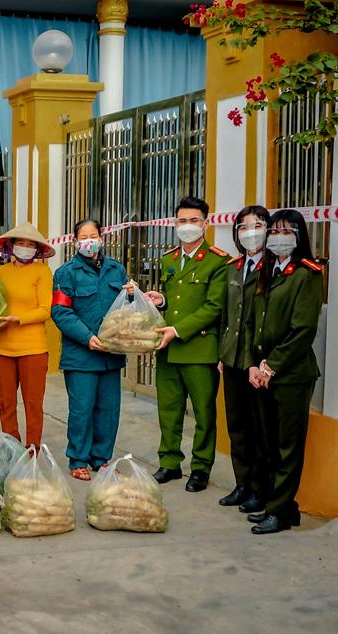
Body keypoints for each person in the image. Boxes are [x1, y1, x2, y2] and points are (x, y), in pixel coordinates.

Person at [245, 209, 324, 535]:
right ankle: (284, 507)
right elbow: (253, 322)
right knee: (268, 441)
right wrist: (253, 364)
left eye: (284, 231)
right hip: (262, 373)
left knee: (287, 446)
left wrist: (271, 366)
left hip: (290, 375)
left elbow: (302, 329)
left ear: (298, 235)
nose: (277, 236)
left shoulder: (307, 273)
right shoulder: (268, 270)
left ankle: (278, 511)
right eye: (273, 230)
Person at [146, 196, 230, 492]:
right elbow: (179, 300)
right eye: (182, 221)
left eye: (194, 221)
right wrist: (163, 300)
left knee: (204, 413)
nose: (187, 226)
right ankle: (169, 462)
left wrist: (178, 330)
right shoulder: (169, 258)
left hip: (199, 348)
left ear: (205, 224)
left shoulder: (218, 261)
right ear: (174, 223)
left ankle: (200, 468)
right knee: (168, 410)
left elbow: (213, 306)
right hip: (168, 348)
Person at [51, 219, 129, 480]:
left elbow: (127, 306)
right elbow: (61, 312)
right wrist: (87, 337)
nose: (88, 241)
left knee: (108, 410)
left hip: (111, 355)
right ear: (75, 242)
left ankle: (101, 458)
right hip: (81, 356)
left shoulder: (116, 270)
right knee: (82, 409)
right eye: (83, 237)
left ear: (102, 238)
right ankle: (78, 459)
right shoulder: (65, 273)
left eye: (93, 236)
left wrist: (133, 294)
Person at [218, 205, 272, 511]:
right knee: (237, 426)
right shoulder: (234, 268)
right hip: (234, 358)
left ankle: (258, 489)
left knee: (258, 428)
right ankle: (242, 484)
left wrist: (257, 361)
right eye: (243, 227)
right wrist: (223, 355)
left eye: (257, 225)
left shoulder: (272, 268)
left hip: (258, 363)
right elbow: (228, 315)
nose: (250, 232)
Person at [0, 223, 56, 452]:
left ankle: (32, 451)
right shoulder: (1, 272)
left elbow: (45, 310)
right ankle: (11, 448)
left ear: (37, 249)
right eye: (20, 243)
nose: (25, 247)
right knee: (5, 403)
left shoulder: (42, 271)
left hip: (33, 349)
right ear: (10, 246)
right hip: (1, 348)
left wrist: (18, 319)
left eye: (30, 245)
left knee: (33, 404)